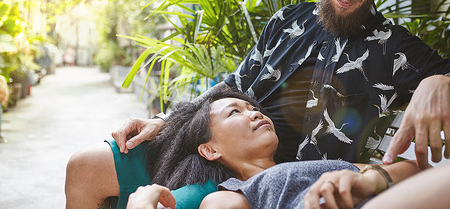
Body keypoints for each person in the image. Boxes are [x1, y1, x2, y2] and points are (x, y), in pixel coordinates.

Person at [65, 0, 450, 207]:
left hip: (273, 185)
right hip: (224, 152)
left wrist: (440, 80)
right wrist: (165, 119)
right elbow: (233, 86)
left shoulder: (396, 48)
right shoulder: (286, 21)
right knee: (83, 166)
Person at [126, 88, 420, 209]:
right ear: (210, 150)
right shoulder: (227, 196)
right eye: (234, 113)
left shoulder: (324, 166)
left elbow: (414, 169)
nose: (254, 113)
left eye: (252, 108)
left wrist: (365, 180)